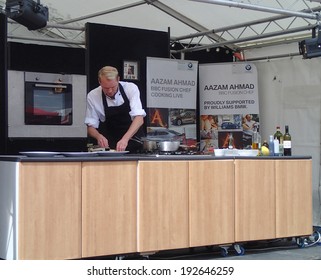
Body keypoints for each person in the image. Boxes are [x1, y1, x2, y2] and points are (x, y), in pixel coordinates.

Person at [85, 66, 146, 152]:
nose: (110, 91)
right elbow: (90, 126)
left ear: (118, 79)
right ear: (99, 81)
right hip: (111, 145)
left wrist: (125, 139)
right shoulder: (93, 95)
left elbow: (139, 119)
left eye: (113, 87)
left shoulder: (130, 88)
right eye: (106, 88)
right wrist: (98, 136)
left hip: (134, 142)